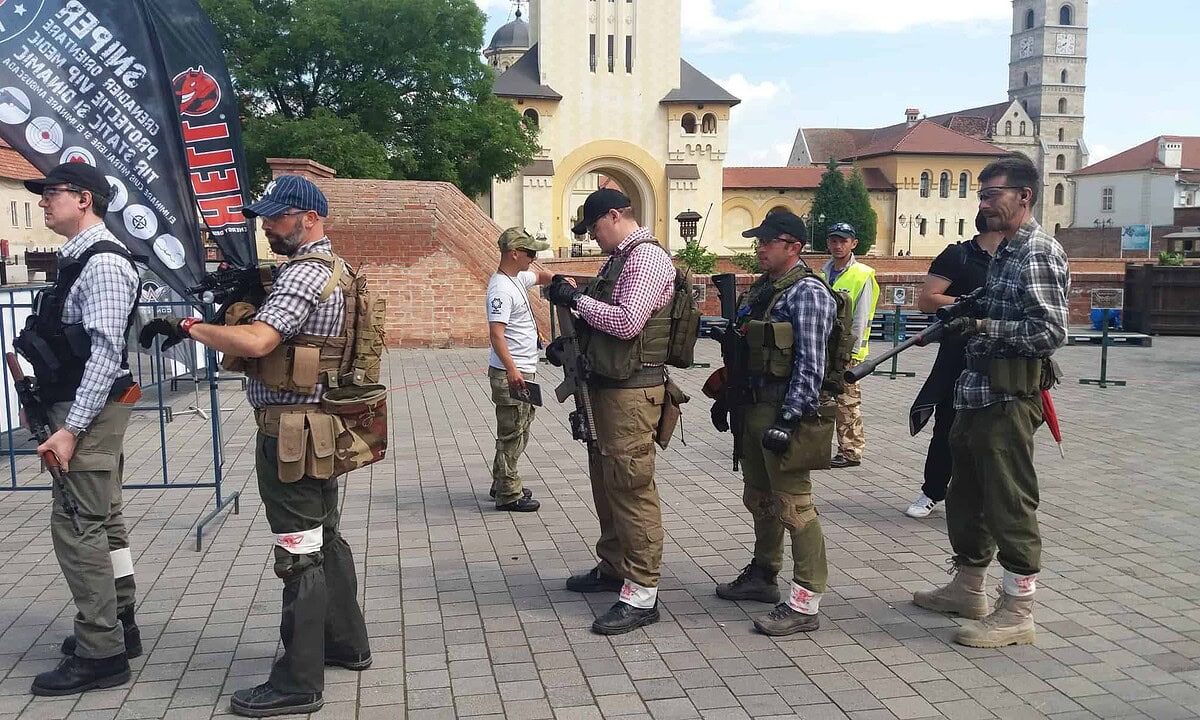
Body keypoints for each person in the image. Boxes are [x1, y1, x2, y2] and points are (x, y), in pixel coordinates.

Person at [141, 176, 371, 716]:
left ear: (310, 218)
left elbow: (259, 340)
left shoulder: (305, 273)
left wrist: (191, 326)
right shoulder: (336, 268)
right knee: (325, 538)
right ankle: (346, 643)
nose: (266, 225)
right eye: (264, 216)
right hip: (320, 426)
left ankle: (299, 682)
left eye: (277, 216)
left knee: (298, 552)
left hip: (291, 433)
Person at [913, 156, 1069, 648]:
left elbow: (1049, 332)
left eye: (991, 194)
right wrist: (965, 310)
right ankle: (968, 589)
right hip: (976, 393)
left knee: (1008, 502)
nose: (983, 203)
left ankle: (1018, 610)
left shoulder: (1037, 252)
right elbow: (996, 303)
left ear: (1024, 196)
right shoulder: (1005, 251)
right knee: (966, 496)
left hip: (1008, 398)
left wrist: (982, 325)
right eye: (980, 195)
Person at [18, 163, 141, 696]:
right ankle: (120, 622)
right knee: (103, 520)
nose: (43, 201)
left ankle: (101, 651)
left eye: (52, 193)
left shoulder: (103, 263)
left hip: (86, 413)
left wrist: (71, 427)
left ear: (84, 198)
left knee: (78, 526)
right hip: (80, 407)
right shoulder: (80, 258)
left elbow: (105, 355)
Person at [545, 188, 675, 635]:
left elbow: (626, 321)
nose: (592, 237)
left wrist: (575, 300)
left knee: (631, 488)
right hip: (609, 388)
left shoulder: (646, 258)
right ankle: (615, 566)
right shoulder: (619, 258)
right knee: (607, 483)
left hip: (631, 395)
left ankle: (642, 593)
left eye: (594, 227)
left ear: (616, 216)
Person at [711, 211, 839, 636]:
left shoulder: (807, 292)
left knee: (794, 506)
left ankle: (806, 602)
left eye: (769, 241)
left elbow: (811, 363)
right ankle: (764, 574)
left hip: (784, 410)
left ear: (794, 247)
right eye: (759, 241)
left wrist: (790, 417)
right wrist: (728, 395)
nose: (760, 248)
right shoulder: (764, 289)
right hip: (753, 407)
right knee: (760, 498)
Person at [905, 212, 1001, 518]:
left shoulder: (1014, 261)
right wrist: (968, 303)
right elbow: (927, 300)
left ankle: (984, 498)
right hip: (958, 353)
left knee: (994, 432)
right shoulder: (959, 256)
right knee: (948, 425)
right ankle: (933, 490)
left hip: (999, 356)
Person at [486, 227, 556, 512]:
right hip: (512, 374)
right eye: (530, 253)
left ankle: (501, 481)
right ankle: (508, 494)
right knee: (512, 432)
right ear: (514, 253)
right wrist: (512, 370)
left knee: (519, 428)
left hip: (522, 370)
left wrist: (559, 279)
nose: (533, 258)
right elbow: (496, 335)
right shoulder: (500, 290)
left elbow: (541, 276)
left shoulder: (516, 278)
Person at [820, 223, 879, 468]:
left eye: (843, 241)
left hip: (848, 351)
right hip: (825, 347)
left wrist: (852, 352)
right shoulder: (823, 273)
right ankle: (818, 447)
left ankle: (851, 451)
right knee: (824, 399)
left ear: (853, 244)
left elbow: (861, 318)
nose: (838, 246)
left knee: (847, 402)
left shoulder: (862, 274)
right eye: (834, 241)